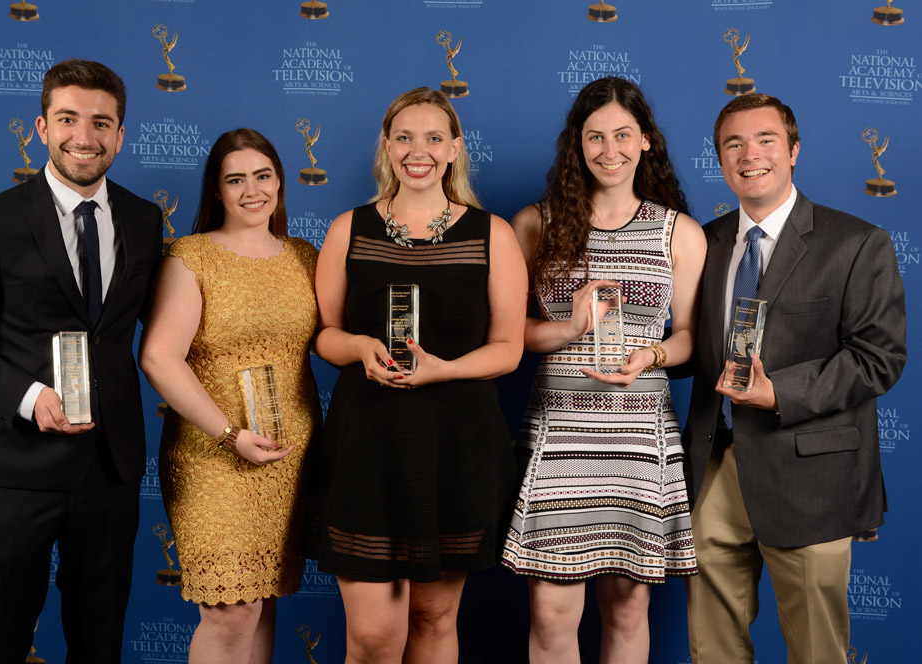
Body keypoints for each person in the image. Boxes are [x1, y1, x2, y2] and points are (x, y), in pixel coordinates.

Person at [0, 59, 162, 662]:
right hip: (16, 470)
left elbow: (155, 334)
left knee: (100, 639)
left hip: (110, 469)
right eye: (68, 119)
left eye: (101, 122)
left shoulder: (142, 219)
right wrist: (31, 398)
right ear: (40, 127)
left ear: (120, 133)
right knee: (0, 639)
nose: (84, 137)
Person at [683, 93, 907, 663]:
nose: (749, 155)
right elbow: (694, 348)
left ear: (794, 151)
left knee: (817, 651)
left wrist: (778, 390)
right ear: (719, 158)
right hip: (715, 470)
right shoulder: (702, 244)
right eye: (733, 144)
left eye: (765, 141)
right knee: (713, 647)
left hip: (812, 477)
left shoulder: (857, 243)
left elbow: (878, 356)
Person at [307, 87, 527, 664]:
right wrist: (358, 345)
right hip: (368, 446)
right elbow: (325, 335)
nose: (418, 150)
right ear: (386, 146)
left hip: (457, 444)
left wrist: (444, 370)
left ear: (454, 149)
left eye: (434, 138)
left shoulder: (493, 234)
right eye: (404, 137)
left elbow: (509, 348)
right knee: (375, 638)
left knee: (434, 619)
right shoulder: (347, 230)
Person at [501, 77, 706, 664]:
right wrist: (570, 326)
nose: (609, 149)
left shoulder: (678, 232)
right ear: (577, 145)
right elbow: (511, 336)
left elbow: (689, 336)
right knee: (551, 614)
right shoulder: (534, 225)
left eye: (622, 134)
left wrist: (653, 355)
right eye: (595, 136)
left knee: (626, 609)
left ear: (646, 141)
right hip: (560, 433)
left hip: (640, 438)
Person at [139, 128, 320, 664]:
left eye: (262, 176)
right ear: (216, 191)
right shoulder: (190, 256)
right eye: (234, 179)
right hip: (213, 453)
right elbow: (158, 357)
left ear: (280, 182)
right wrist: (229, 434)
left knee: (263, 602)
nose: (251, 191)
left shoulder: (304, 256)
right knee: (231, 611)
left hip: (289, 455)